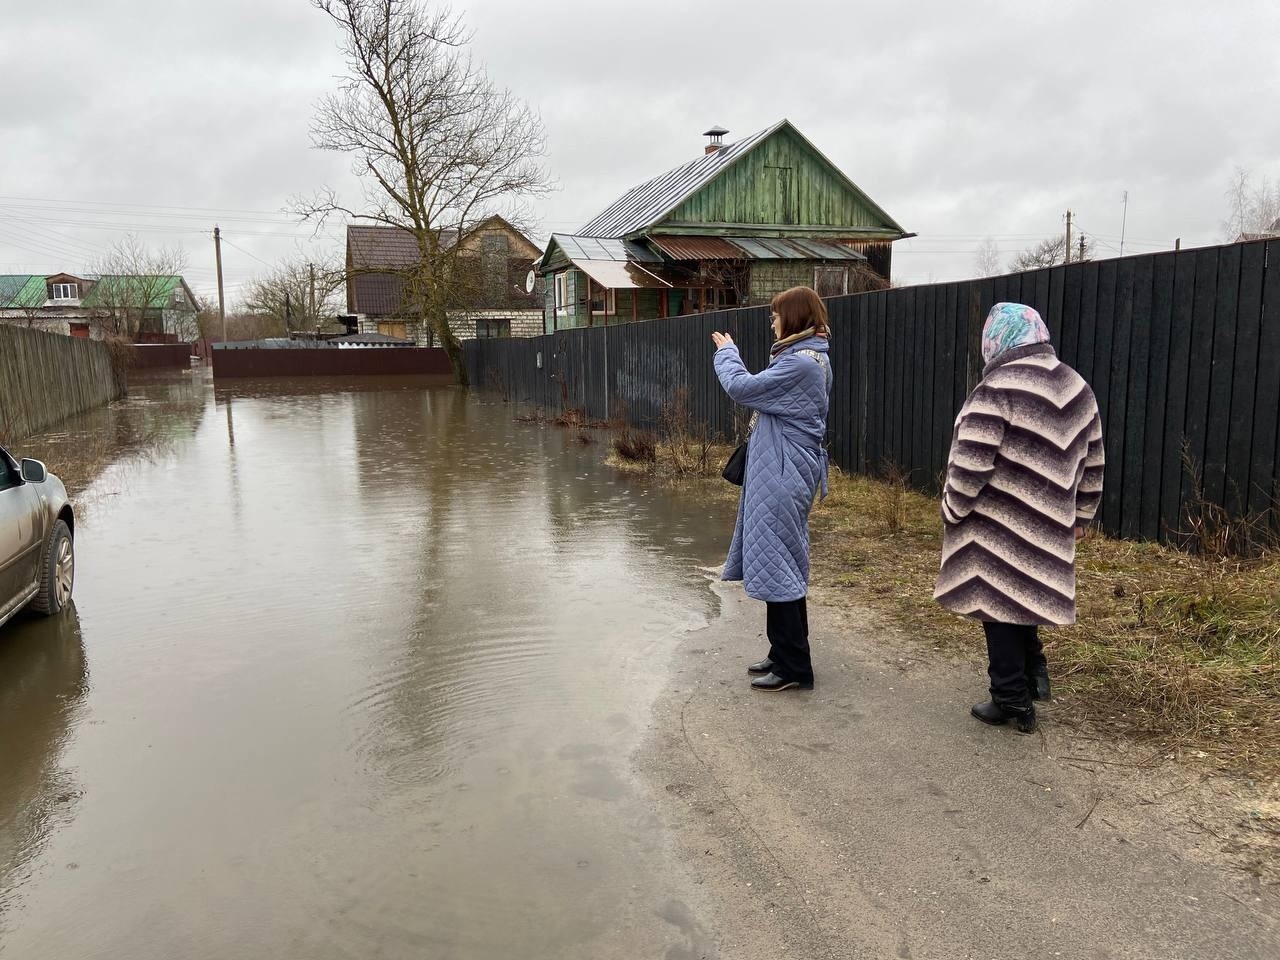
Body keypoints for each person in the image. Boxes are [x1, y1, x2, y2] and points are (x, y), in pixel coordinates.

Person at [934, 302, 1105, 733]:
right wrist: (1082, 512)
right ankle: (1034, 676)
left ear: (998, 340)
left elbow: (971, 462)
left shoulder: (997, 388)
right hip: (1050, 521)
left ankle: (1011, 699)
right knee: (1026, 596)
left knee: (999, 607)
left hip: (998, 522)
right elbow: (1094, 457)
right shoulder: (1075, 385)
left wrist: (952, 508)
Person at [711, 286, 832, 692]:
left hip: (782, 476)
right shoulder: (804, 359)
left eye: (777, 314)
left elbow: (741, 388)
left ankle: (794, 666)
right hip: (781, 472)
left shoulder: (802, 364)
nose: (773, 321)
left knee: (777, 563)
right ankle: (784, 653)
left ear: (795, 317)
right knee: (779, 561)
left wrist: (727, 353)